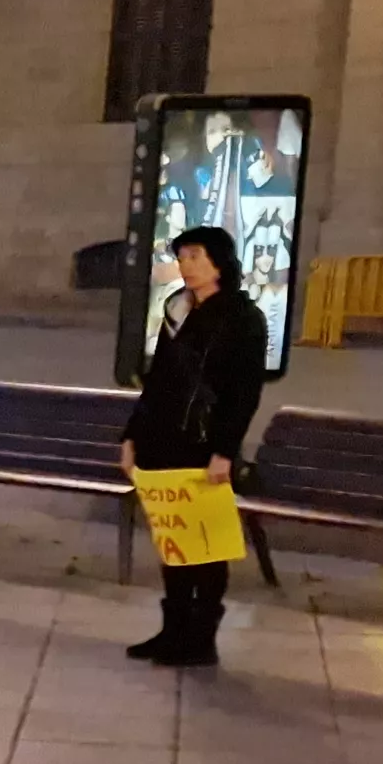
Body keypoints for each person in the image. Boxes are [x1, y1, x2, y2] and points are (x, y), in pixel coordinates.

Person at [118, 225, 265, 667]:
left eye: (196, 256)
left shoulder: (241, 318)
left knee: (206, 545)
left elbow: (244, 392)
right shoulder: (177, 311)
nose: (187, 266)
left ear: (220, 261)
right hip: (164, 441)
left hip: (204, 447)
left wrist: (225, 450)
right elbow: (158, 382)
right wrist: (131, 436)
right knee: (174, 540)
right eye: (182, 257)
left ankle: (201, 638)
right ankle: (173, 629)